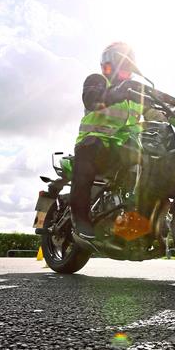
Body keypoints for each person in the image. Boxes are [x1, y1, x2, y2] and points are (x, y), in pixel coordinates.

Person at [70, 42, 144, 245]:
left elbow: (159, 114)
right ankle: (80, 217)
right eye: (122, 65)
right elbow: (91, 98)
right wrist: (119, 92)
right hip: (95, 143)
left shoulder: (137, 95)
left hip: (122, 148)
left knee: (151, 160)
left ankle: (132, 219)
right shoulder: (98, 80)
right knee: (92, 146)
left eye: (129, 67)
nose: (126, 71)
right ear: (109, 64)